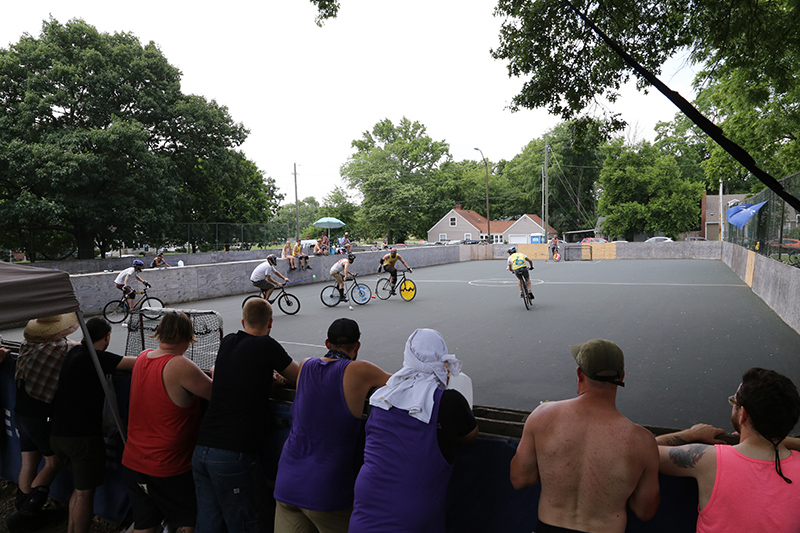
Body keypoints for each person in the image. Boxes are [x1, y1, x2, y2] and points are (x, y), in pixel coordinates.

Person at [509, 339, 660, 533]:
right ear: (621, 377)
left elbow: (520, 478)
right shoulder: (642, 441)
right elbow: (645, 511)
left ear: (580, 374)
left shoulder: (542, 417)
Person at [349, 329, 478, 532]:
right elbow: (471, 434)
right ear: (442, 359)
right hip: (414, 513)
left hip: (367, 503)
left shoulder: (380, 397)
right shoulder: (449, 402)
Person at [274, 318, 391, 532]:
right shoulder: (360, 370)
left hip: (287, 484)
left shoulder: (305, 365)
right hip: (326, 490)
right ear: (357, 346)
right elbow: (403, 383)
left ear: (327, 344)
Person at [193, 298, 300, 532]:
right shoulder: (266, 345)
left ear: (243, 321)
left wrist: (265, 380)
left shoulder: (229, 341)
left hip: (202, 449)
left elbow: (226, 375)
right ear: (270, 323)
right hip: (234, 454)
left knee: (209, 522)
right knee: (247, 523)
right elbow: (300, 376)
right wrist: (276, 380)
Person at [656, 367, 800, 532]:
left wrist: (691, 433)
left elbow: (643, 450)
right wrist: (779, 438)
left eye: (734, 402)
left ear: (743, 414)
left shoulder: (709, 460)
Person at [122, 311, 213, 533]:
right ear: (186, 336)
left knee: (145, 524)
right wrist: (215, 370)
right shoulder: (180, 365)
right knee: (185, 522)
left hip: (134, 462)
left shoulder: (143, 358)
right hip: (168, 467)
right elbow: (218, 394)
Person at [49, 317, 136, 533]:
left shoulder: (75, 352)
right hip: (81, 438)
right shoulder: (95, 358)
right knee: (85, 493)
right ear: (107, 337)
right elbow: (135, 363)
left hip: (59, 434)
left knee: (79, 490)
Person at [11, 314, 79, 518]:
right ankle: (27, 511)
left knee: (29, 461)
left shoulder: (27, 344)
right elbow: (81, 350)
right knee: (54, 461)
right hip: (39, 415)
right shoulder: (64, 349)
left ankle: (22, 503)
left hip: (21, 410)